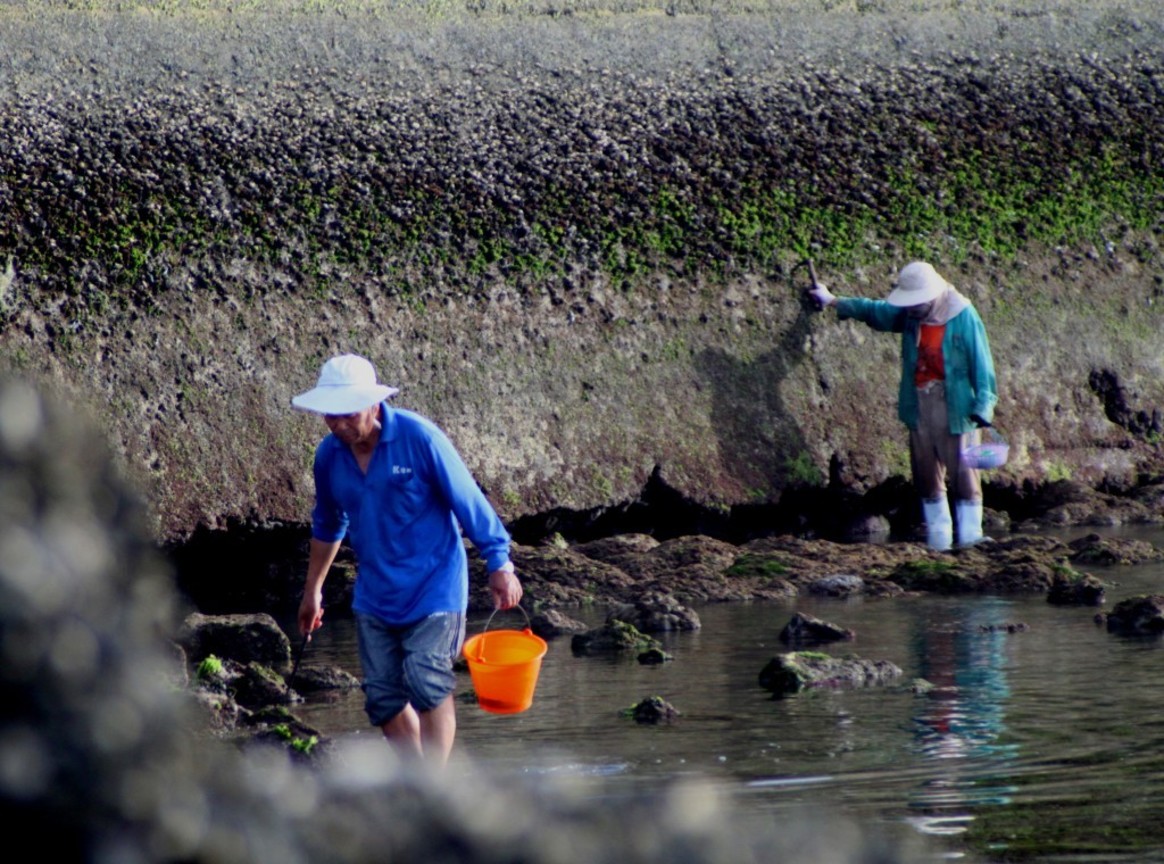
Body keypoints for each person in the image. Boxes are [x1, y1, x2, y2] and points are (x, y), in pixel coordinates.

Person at [292, 353, 522, 766]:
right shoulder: (329, 455)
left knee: (426, 679)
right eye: (330, 415)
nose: (339, 424)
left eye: (347, 414)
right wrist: (313, 592)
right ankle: (418, 782)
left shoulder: (420, 439)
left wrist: (499, 562)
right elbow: (328, 524)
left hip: (436, 587)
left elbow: (467, 500)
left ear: (373, 405)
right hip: (376, 595)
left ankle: (434, 784)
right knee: (382, 697)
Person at [808, 261, 998, 549]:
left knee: (964, 474)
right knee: (926, 474)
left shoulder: (963, 315)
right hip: (920, 405)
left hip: (957, 409)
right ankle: (939, 538)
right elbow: (876, 311)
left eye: (917, 303)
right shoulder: (910, 316)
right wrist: (834, 300)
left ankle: (971, 537)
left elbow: (983, 367)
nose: (913, 309)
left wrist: (984, 407)